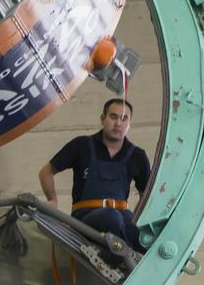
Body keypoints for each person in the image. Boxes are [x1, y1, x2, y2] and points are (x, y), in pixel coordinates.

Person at [38, 98, 150, 251]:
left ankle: (136, 263)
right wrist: (52, 200)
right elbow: (46, 172)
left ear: (129, 124)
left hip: (121, 216)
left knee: (143, 234)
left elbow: (147, 195)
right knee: (112, 217)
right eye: (113, 117)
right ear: (102, 119)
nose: (118, 123)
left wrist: (138, 219)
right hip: (85, 216)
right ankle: (128, 258)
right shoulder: (81, 145)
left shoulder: (137, 155)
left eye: (124, 118)